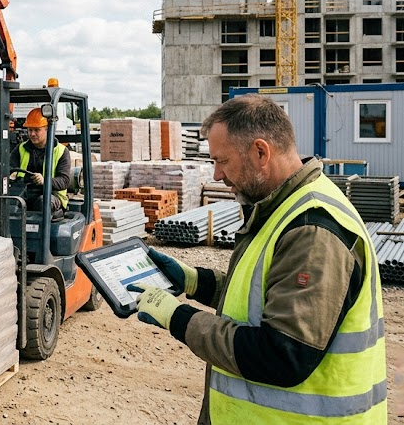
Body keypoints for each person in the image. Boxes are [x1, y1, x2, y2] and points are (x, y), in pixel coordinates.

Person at [128, 94, 386, 424]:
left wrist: (177, 316)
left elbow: (282, 354)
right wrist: (195, 281)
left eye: (222, 161)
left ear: (260, 152)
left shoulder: (311, 229)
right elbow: (262, 297)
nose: (217, 175)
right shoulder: (284, 206)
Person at [9, 108, 71, 217]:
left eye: (36, 130)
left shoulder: (61, 151)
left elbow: (65, 181)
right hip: (25, 192)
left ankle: (40, 233)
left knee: (44, 202)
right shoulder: (21, 148)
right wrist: (10, 175)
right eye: (30, 130)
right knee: (6, 202)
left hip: (51, 194)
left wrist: (45, 181)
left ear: (48, 129)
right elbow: (9, 167)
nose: (32, 134)